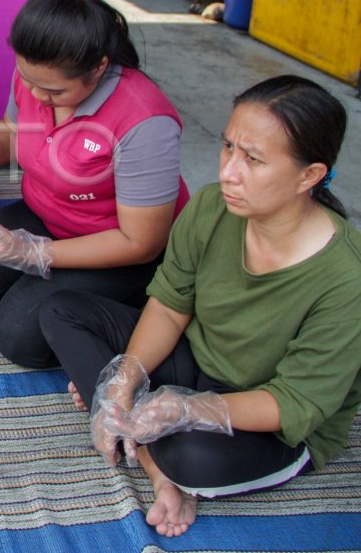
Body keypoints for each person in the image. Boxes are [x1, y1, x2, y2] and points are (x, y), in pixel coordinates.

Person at [39, 75, 361, 538]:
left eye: (253, 159)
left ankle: (157, 454)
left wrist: (189, 411)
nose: (229, 170)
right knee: (59, 311)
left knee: (189, 458)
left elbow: (296, 402)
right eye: (228, 147)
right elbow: (171, 306)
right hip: (196, 359)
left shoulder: (345, 276)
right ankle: (151, 459)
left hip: (270, 413)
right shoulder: (212, 207)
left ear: (309, 175)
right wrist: (126, 376)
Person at [0, 0, 189, 368]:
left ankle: (137, 308)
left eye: (53, 92)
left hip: (117, 246)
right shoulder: (36, 75)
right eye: (28, 80)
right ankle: (48, 286)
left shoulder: (144, 121)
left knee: (17, 337)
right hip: (47, 212)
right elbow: (14, 130)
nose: (36, 96)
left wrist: (35, 253)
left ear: (99, 68)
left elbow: (142, 242)